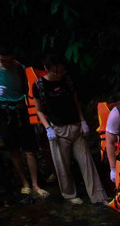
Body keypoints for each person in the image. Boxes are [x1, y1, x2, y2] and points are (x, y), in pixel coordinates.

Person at [33, 53, 105, 205]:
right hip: (57, 130)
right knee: (62, 165)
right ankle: (70, 195)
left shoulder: (67, 80)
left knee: (87, 163)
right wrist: (48, 128)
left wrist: (83, 120)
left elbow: (75, 102)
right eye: (55, 71)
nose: (59, 74)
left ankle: (98, 196)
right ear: (46, 69)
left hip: (76, 127)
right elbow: (39, 109)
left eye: (60, 71)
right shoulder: (39, 85)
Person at [0, 40, 47, 198]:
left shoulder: (19, 67)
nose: (8, 63)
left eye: (10, 59)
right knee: (14, 150)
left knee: (30, 149)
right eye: (4, 60)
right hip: (3, 112)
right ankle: (25, 183)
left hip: (20, 109)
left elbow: (25, 89)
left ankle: (36, 184)